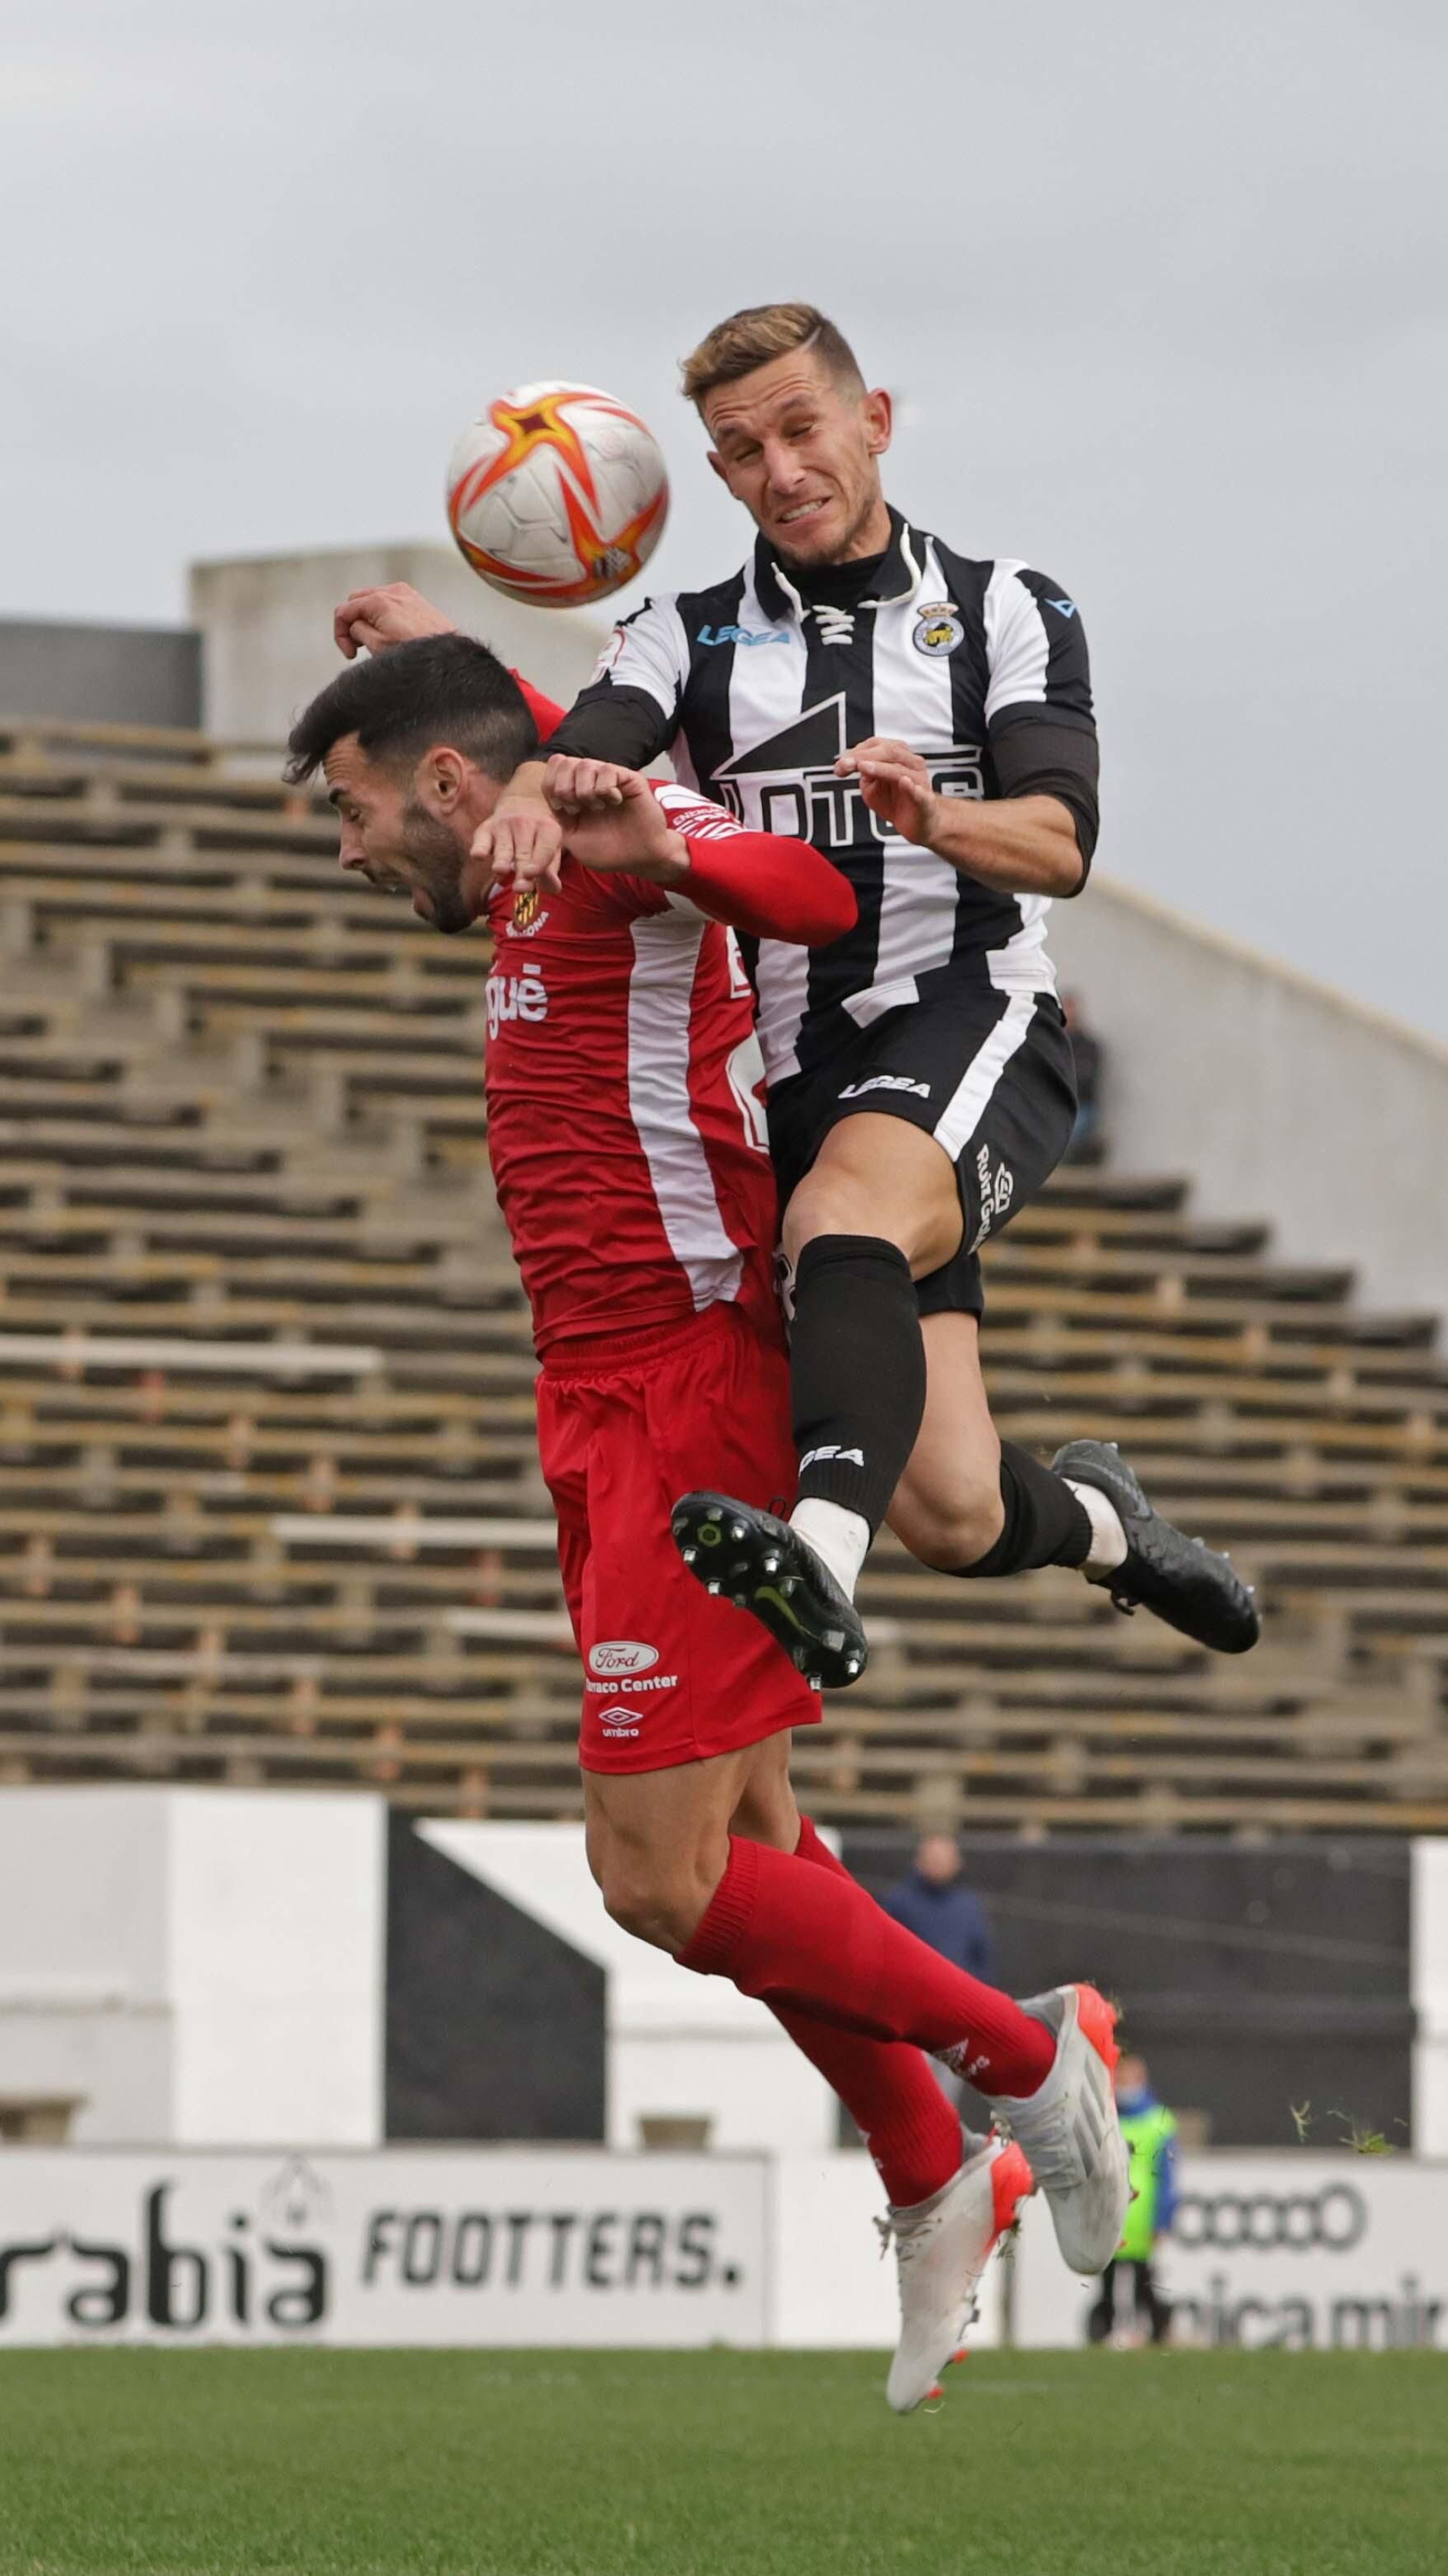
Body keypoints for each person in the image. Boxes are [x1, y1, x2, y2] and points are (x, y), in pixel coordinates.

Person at [285, 629, 1129, 2411]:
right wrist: (431, 640)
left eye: (352, 812)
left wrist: (660, 840)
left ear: (445, 784)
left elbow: (810, 890)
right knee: (753, 1834)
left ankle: (1021, 2051)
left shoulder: (602, 836)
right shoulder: (518, 818)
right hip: (591, 1393)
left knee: (655, 1878)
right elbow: (519, 724)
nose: (345, 850)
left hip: (690, 1379)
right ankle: (931, 2173)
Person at [357, 300, 1259, 1697]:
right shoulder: (681, 632)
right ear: (714, 473)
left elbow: (1061, 841)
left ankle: (818, 1559)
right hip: (800, 1069)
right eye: (740, 449)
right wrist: (476, 705)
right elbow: (587, 745)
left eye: (800, 428)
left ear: (873, 421)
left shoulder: (1007, 606)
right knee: (952, 1507)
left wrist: (938, 817)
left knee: (842, 1216)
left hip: (968, 1016)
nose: (778, 469)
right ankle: (1108, 1524)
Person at [884, 1835, 996, 2109]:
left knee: (945, 2101)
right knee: (907, 2094)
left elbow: (982, 1957)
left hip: (957, 2018)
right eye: (932, 1858)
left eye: (944, 1858)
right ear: (919, 1861)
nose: (937, 1864)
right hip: (910, 2020)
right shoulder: (899, 1902)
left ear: (957, 1863)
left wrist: (980, 2006)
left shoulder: (968, 1906)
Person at [1087, 2052, 1178, 2347]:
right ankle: (1104, 2331)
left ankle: (1156, 2329)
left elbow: (1167, 2175)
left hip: (1142, 2214)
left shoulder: (1158, 2120)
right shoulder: (1105, 2116)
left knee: (1142, 2279)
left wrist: (1163, 2218)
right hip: (1110, 2209)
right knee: (1108, 2279)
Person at [1060, 988, 1103, 1163]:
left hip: (1080, 1107)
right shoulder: (1053, 1043)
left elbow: (1085, 1077)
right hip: (1056, 1106)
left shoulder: (1089, 1046)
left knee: (1067, 1133)